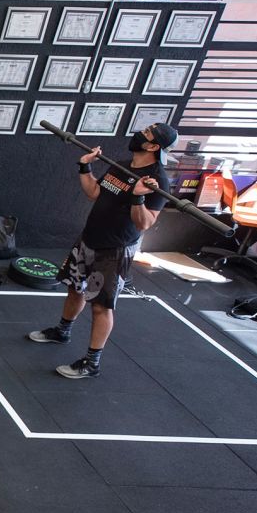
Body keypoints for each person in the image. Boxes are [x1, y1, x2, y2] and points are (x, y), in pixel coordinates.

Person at [28, 121, 177, 378]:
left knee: (101, 306)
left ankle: (92, 362)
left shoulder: (157, 180)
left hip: (114, 250)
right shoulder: (121, 165)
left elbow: (144, 223)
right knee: (75, 288)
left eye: (147, 132)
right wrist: (85, 166)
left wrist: (138, 196)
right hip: (89, 239)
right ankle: (62, 331)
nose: (140, 132)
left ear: (153, 145)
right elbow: (94, 192)